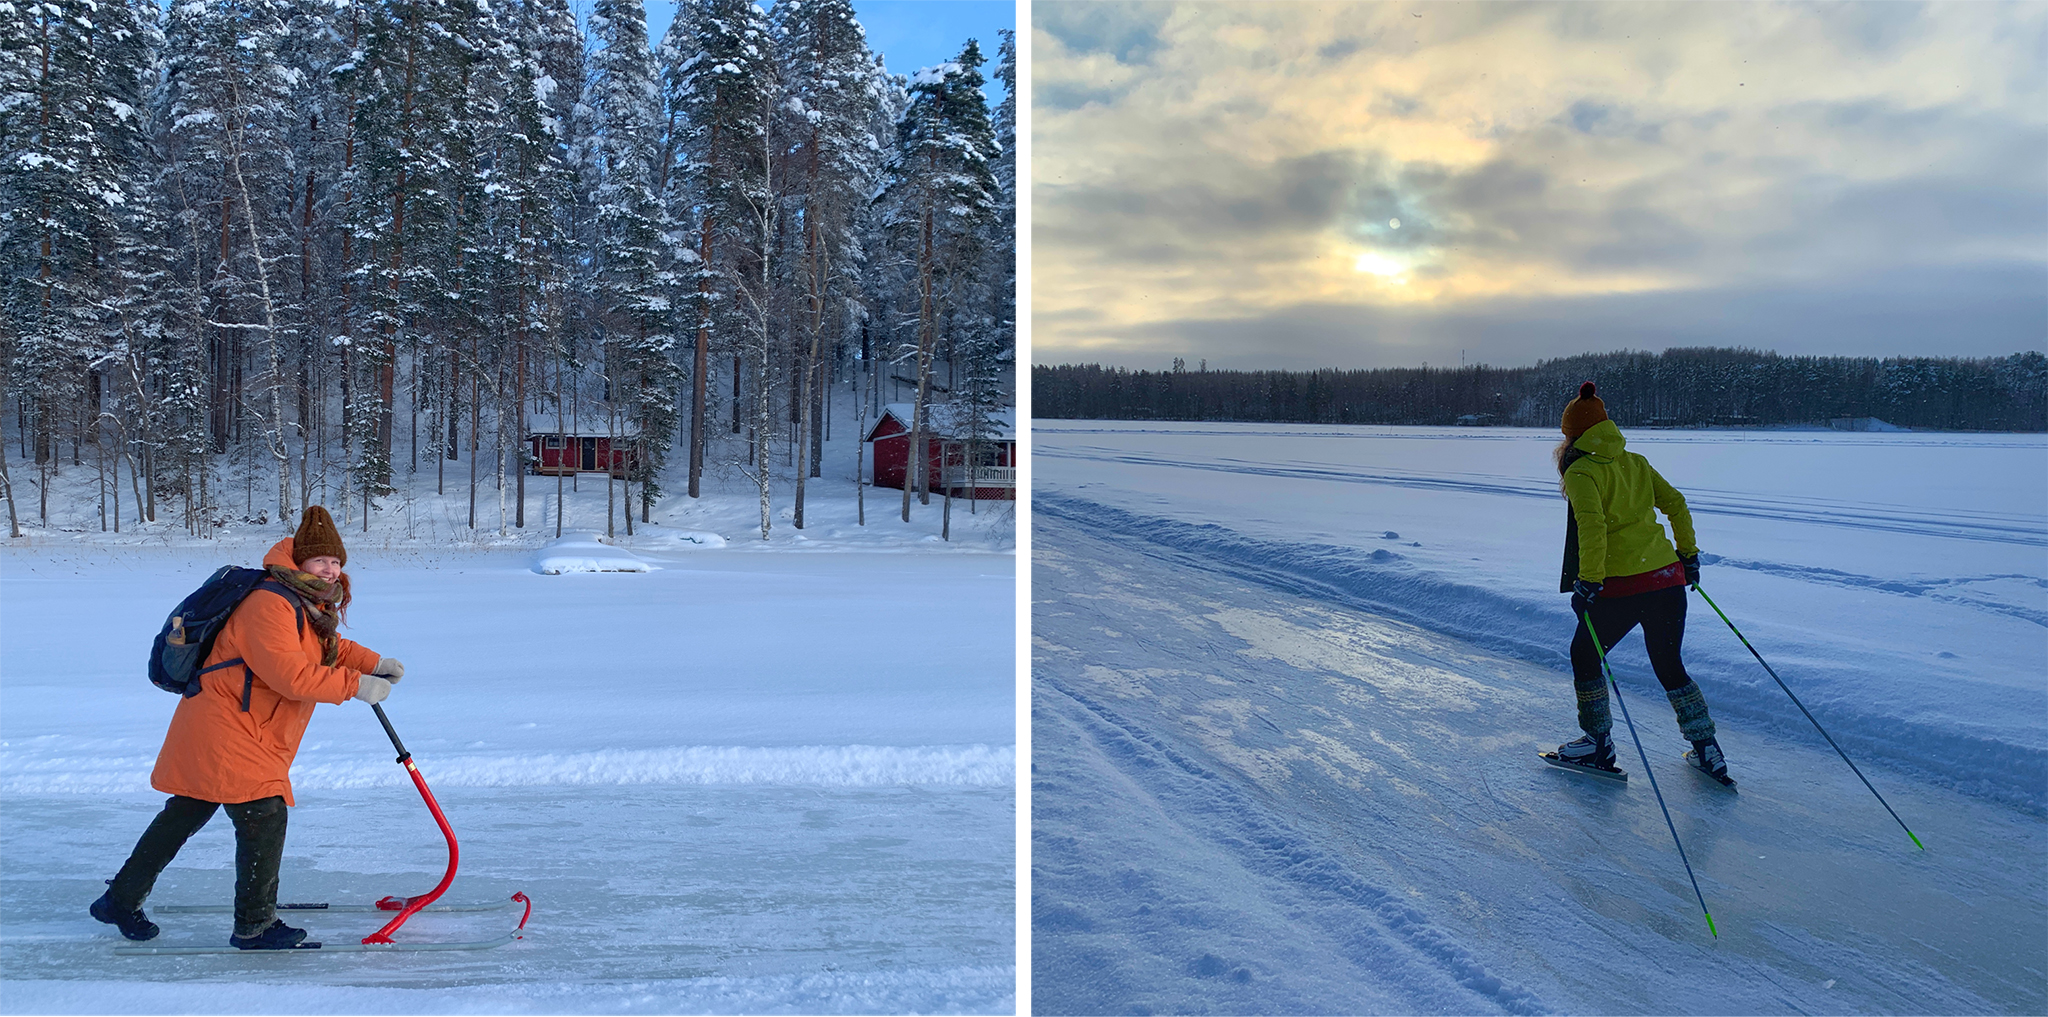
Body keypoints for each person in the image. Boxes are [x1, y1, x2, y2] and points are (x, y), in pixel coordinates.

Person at [90, 506, 406, 948]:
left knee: (184, 814)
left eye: (336, 562)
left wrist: (373, 663)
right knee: (263, 815)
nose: (331, 570)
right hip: (230, 728)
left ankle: (118, 901)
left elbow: (326, 645)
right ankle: (254, 925)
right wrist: (355, 685)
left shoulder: (302, 601)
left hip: (236, 726)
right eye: (321, 562)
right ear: (299, 562)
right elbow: (289, 674)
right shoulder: (269, 604)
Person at [1550, 382, 1727, 781]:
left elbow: (1591, 526)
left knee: (1584, 655)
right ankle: (1707, 748)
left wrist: (1590, 582)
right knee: (1669, 664)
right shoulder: (1636, 462)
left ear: (1572, 435)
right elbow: (1676, 504)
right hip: (1666, 578)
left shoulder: (1581, 471)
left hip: (1622, 586)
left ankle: (1597, 743)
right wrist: (1688, 556)